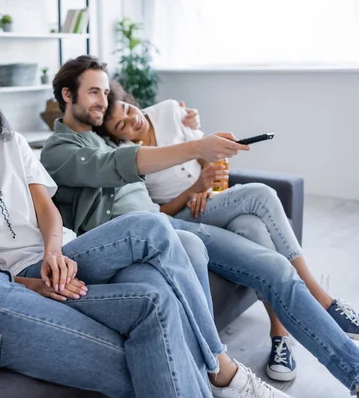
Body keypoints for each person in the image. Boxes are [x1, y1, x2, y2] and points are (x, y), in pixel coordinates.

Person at [0, 51, 291, 398]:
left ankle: (217, 370)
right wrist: (28, 275)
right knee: (152, 233)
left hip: (63, 252)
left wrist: (54, 251)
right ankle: (221, 368)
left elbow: (47, 209)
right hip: (21, 275)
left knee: (152, 273)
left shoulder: (9, 144)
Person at [40, 54, 359, 395]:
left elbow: (141, 129)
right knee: (193, 246)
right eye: (93, 93)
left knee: (275, 268)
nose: (103, 101)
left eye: (105, 92)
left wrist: (185, 120)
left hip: (170, 225)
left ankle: (354, 372)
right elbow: (117, 164)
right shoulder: (58, 150)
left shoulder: (107, 134)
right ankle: (218, 369)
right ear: (67, 95)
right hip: (133, 241)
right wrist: (195, 146)